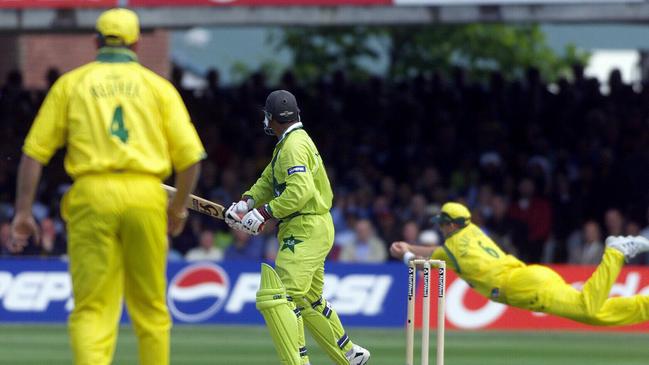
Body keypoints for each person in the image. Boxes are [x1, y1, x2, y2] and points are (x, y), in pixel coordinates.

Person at [10, 8, 205, 365]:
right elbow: (191, 159)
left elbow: (32, 155)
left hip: (91, 195)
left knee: (93, 309)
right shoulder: (158, 87)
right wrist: (177, 209)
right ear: (136, 42)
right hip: (146, 194)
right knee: (151, 310)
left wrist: (23, 212)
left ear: (95, 41)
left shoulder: (71, 84)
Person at [224, 90, 370, 365]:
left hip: (306, 226)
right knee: (308, 299)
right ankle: (350, 354)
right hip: (312, 225)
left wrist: (265, 212)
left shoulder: (292, 147)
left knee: (279, 297)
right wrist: (246, 202)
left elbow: (299, 192)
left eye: (266, 116)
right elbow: (269, 179)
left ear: (271, 118)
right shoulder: (292, 142)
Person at [390, 202, 649, 327]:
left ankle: (615, 252)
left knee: (589, 307)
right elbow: (438, 253)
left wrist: (405, 255)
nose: (441, 228)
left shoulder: (453, 249)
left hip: (520, 287)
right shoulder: (473, 232)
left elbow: (426, 265)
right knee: (598, 314)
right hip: (532, 275)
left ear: (450, 225)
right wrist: (411, 247)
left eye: (442, 224)